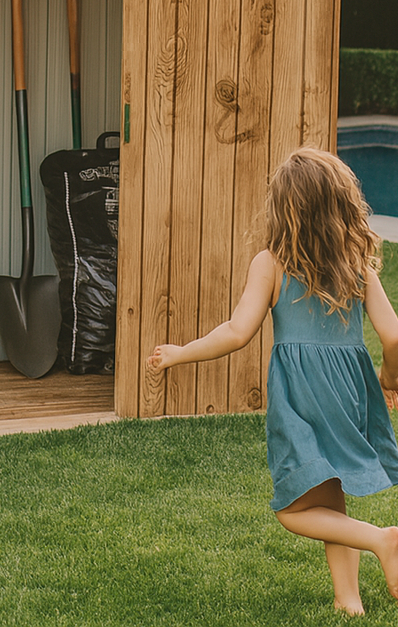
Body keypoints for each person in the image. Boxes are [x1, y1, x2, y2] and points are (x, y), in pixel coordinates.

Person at [147, 147, 398, 616]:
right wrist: (389, 376)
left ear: (285, 208)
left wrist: (180, 353)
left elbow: (237, 332)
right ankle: (349, 602)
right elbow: (393, 334)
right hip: (349, 393)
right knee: (330, 491)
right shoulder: (356, 263)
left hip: (302, 395)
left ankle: (383, 540)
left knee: (292, 510)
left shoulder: (273, 261)